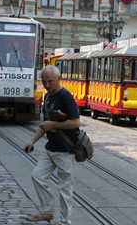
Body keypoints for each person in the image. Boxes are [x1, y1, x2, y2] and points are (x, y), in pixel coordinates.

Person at [23, 65, 80, 224]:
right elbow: (44, 125)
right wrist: (32, 141)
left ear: (59, 79)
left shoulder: (65, 96)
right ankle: (47, 211)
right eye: (44, 81)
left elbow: (76, 123)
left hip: (65, 150)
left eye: (50, 81)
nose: (47, 85)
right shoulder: (48, 97)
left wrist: (53, 125)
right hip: (50, 148)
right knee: (37, 176)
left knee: (64, 189)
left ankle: (64, 221)